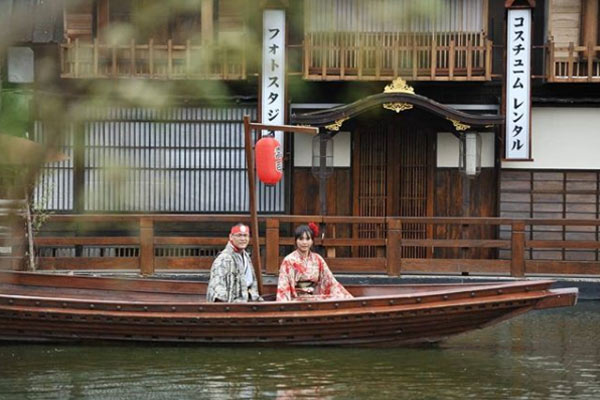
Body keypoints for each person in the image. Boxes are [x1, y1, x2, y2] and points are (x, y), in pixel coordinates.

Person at [276, 223, 353, 302]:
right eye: (301, 239)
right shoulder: (289, 260)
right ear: (296, 241)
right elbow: (283, 286)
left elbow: (330, 281)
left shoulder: (318, 259)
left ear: (312, 241)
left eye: (308, 239)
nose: (304, 242)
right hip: (297, 300)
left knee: (338, 298)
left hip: (315, 298)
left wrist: (347, 298)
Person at [206, 223, 262, 302]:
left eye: (245, 235)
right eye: (239, 235)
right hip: (231, 306)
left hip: (246, 303)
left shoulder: (246, 256)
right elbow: (217, 288)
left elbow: (251, 284)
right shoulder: (223, 259)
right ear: (231, 237)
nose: (243, 239)